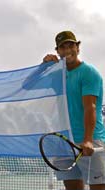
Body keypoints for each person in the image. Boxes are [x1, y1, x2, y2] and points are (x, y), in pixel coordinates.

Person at [43, 31, 105, 190]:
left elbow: (89, 107)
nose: (67, 50)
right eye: (62, 47)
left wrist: (88, 140)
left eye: (70, 45)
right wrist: (44, 67)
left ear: (78, 47)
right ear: (57, 51)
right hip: (64, 142)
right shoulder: (56, 74)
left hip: (89, 141)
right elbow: (26, 86)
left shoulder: (88, 72)